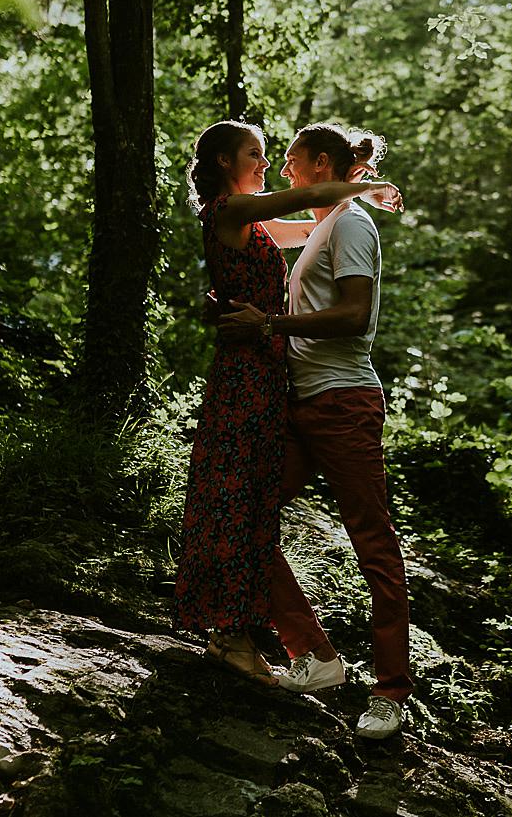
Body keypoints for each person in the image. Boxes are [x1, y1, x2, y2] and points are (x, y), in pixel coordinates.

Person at [174, 120, 402, 686]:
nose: (269, 164)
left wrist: (352, 201)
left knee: (241, 506)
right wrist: (364, 187)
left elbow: (309, 223)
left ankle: (374, 681)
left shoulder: (271, 223)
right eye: (255, 153)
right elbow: (311, 200)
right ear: (226, 163)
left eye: (278, 156)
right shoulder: (229, 211)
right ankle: (244, 637)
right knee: (233, 504)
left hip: (284, 380)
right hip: (258, 375)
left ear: (321, 161)